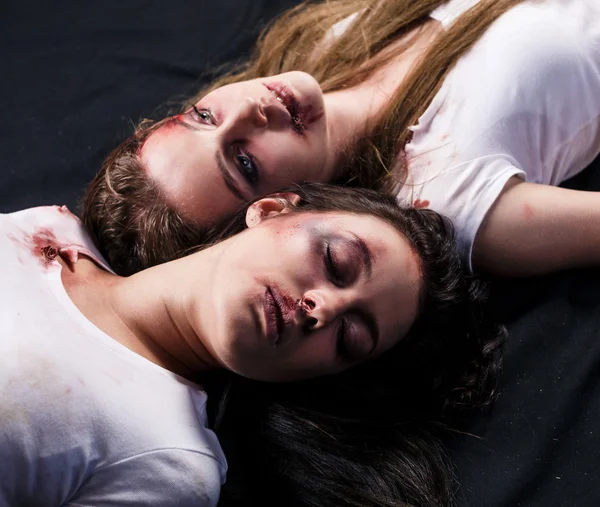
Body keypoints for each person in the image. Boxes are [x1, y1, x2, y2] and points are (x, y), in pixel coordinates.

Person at [0, 183, 504, 507]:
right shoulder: (50, 228)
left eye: (348, 337)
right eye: (336, 261)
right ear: (269, 209)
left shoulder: (170, 463)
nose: (322, 308)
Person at [82, 0, 600, 277]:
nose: (248, 110)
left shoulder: (319, 43)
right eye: (243, 163)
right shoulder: (450, 197)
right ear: (273, 214)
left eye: (202, 116)